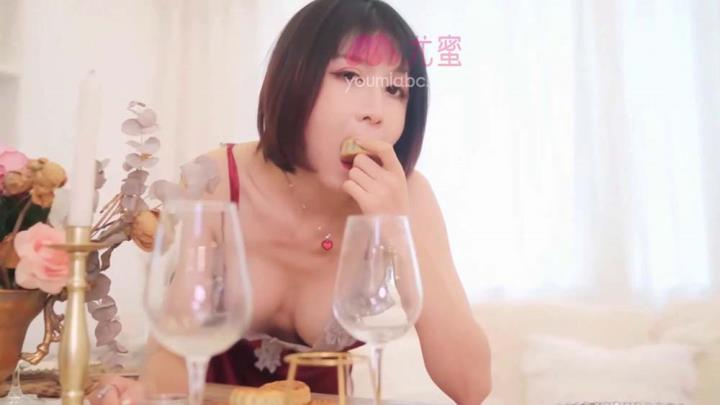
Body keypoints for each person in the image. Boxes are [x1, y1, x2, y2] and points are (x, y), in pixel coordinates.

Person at [90, 0, 491, 403]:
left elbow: (471, 387)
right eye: (349, 76)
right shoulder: (218, 180)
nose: (375, 113)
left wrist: (396, 230)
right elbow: (173, 356)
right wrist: (147, 395)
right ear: (294, 77)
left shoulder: (408, 195)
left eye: (394, 89)